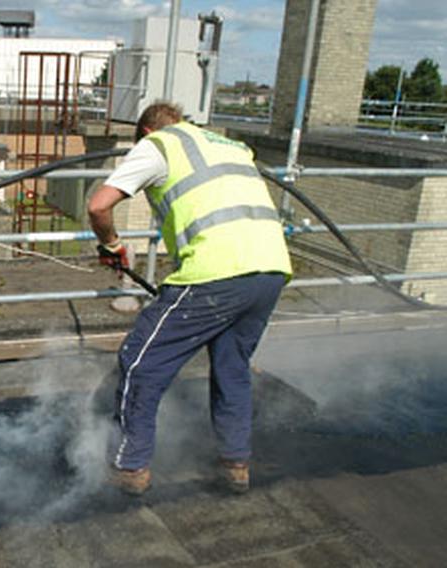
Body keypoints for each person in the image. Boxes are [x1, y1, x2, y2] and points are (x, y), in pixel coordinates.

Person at [87, 102, 291, 495]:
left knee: (140, 362)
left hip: (216, 272)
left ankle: (129, 467)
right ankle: (235, 463)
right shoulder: (231, 145)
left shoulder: (157, 145)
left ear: (146, 132)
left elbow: (99, 205)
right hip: (271, 269)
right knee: (232, 367)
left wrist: (112, 244)